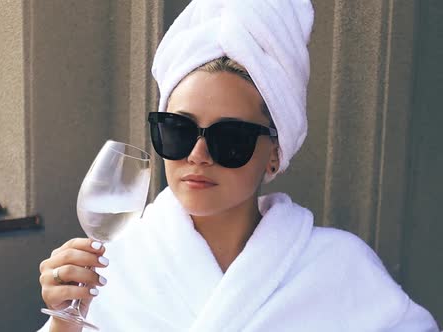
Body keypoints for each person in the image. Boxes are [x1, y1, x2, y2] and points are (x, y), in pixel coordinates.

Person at [38, 0, 440, 331]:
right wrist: (63, 321)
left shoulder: (341, 268)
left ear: (275, 154)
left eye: (230, 139)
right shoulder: (116, 263)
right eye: (178, 130)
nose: (197, 155)